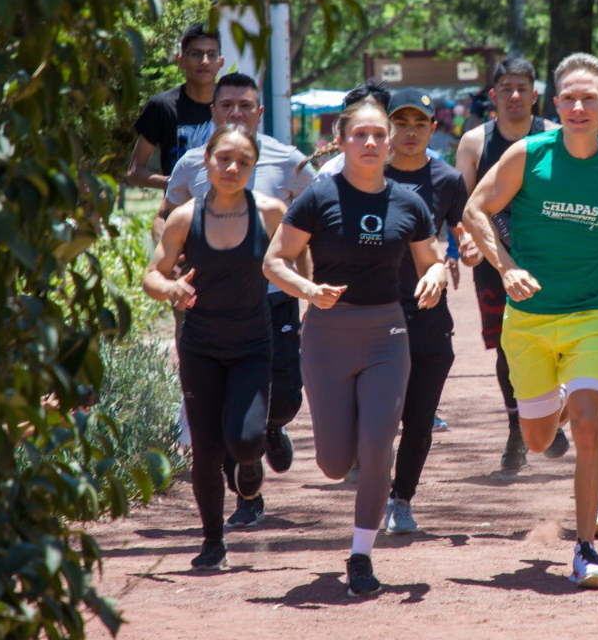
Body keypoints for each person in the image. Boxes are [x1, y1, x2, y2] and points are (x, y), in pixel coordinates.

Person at [463, 52, 598, 589]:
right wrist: (506, 269)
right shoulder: (529, 155)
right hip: (527, 322)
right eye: (569, 98)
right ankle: (557, 421)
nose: (578, 107)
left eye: (589, 99)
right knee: (536, 439)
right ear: (556, 105)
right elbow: (475, 210)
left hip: (594, 315)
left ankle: (585, 548)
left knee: (591, 419)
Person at [264, 90, 448, 596]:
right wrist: (306, 289)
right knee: (332, 462)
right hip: (327, 336)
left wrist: (435, 276)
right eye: (360, 134)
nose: (370, 142)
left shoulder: (408, 203)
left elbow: (432, 260)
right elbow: (274, 261)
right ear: (341, 142)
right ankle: (342, 470)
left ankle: (361, 556)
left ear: (389, 146)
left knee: (377, 444)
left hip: (387, 334)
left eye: (378, 135)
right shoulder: (318, 198)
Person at [157, 72, 315, 529]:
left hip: (274, 298)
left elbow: (317, 217)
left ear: (259, 112)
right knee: (223, 411)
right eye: (226, 106)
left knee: (283, 399)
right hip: (212, 303)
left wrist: (309, 284)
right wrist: (174, 269)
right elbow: (166, 220)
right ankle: (245, 495)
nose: (235, 113)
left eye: (245, 106)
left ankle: (268, 427)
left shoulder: (289, 161)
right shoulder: (192, 163)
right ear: (214, 111)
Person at [143, 125, 287, 570]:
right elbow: (152, 276)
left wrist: (307, 290)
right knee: (205, 449)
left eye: (243, 161)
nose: (232, 167)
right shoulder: (186, 217)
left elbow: (297, 260)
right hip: (201, 345)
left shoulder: (270, 212)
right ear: (206, 160)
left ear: (254, 166)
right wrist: (171, 289)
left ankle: (248, 465)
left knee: (244, 442)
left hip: (252, 344)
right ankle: (212, 541)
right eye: (224, 158)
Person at [456, 58, 567, 473]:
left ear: (536, 95)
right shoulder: (474, 142)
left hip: (549, 261)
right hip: (494, 262)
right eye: (506, 88)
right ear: (493, 96)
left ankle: (552, 411)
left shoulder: (556, 136)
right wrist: (466, 244)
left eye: (522, 88)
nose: (515, 96)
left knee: (555, 341)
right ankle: (517, 430)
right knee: (507, 348)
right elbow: (461, 206)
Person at [378, 88, 478, 534]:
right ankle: (375, 490)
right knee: (380, 414)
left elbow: (461, 227)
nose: (410, 132)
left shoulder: (448, 179)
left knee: (418, 418)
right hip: (374, 310)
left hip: (428, 307)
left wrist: (465, 250)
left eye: (420, 124)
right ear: (388, 129)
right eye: (402, 124)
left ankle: (401, 500)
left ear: (433, 129)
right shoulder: (367, 174)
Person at [129, 23, 223, 189]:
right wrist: (177, 184)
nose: (204, 61)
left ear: (220, 62)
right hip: (176, 211)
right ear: (181, 61)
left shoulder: (231, 105)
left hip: (228, 212)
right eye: (196, 54)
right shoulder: (162, 107)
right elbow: (135, 172)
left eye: (211, 54)